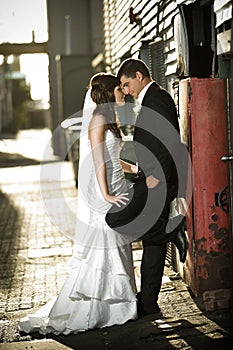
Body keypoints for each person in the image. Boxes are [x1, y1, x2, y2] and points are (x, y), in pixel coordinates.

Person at [18, 73, 139, 335]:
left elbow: (114, 158)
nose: (123, 93)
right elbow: (97, 160)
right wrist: (105, 194)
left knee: (120, 243)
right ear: (108, 92)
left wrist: (136, 169)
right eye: (119, 89)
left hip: (119, 184)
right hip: (104, 190)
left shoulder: (110, 121)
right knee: (106, 245)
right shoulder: (97, 120)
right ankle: (106, 307)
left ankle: (123, 302)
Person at [106, 58, 188, 317]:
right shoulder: (146, 100)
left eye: (126, 84)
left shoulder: (158, 98)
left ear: (139, 76)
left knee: (116, 218)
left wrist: (157, 177)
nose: (126, 90)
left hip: (158, 181)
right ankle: (149, 303)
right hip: (151, 178)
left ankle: (170, 234)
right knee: (152, 242)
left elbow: (170, 142)